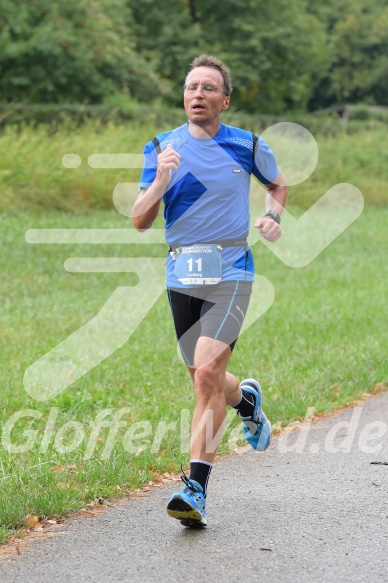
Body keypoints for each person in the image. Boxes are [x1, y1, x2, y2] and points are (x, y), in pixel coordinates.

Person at [132, 54, 287, 528]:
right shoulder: (161, 147)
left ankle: (195, 487)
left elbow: (277, 185)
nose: (197, 94)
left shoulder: (247, 144)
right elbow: (140, 220)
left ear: (224, 99)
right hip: (182, 273)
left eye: (207, 88)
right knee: (204, 379)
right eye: (190, 87)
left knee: (204, 374)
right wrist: (161, 179)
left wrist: (272, 216)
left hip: (232, 269)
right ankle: (246, 400)